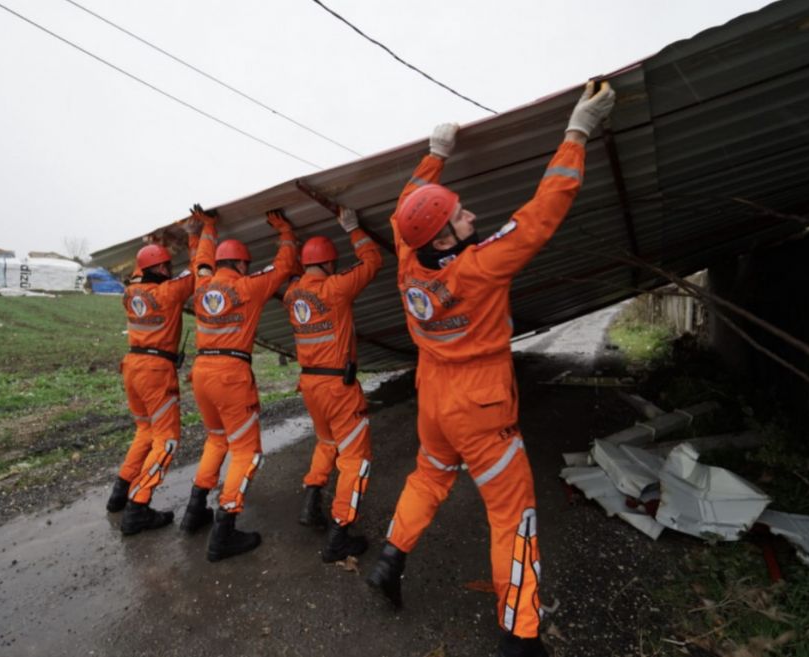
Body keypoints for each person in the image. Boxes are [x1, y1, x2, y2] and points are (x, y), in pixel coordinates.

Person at [366, 81, 615, 657]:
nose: (472, 214)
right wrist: (577, 131)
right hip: (481, 405)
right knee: (512, 514)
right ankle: (520, 635)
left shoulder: (409, 261)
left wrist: (436, 152)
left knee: (428, 477)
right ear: (446, 235)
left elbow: (407, 206)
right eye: (460, 214)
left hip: (434, 397)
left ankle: (390, 559)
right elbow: (543, 210)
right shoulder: (479, 267)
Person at [179, 210, 299, 562]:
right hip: (231, 374)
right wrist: (285, 229)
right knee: (247, 451)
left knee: (217, 440)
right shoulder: (249, 286)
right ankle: (224, 531)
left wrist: (206, 228)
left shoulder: (202, 285)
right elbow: (284, 264)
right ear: (243, 266)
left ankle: (193, 511)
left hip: (202, 372)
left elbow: (199, 259)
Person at [105, 211, 217, 535]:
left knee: (145, 431)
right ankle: (138, 505)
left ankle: (120, 493)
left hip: (132, 367)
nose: (169, 270)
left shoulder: (130, 294)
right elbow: (198, 271)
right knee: (167, 439)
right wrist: (197, 237)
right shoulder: (168, 293)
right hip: (155, 371)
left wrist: (154, 247)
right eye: (165, 266)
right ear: (157, 270)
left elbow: (138, 275)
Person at [283, 207, 382, 562]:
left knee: (327, 442)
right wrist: (354, 229)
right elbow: (372, 261)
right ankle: (340, 533)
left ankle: (311, 501)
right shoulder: (336, 288)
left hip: (310, 386)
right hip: (338, 387)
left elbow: (297, 279)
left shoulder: (292, 294)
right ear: (328, 263)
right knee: (356, 458)